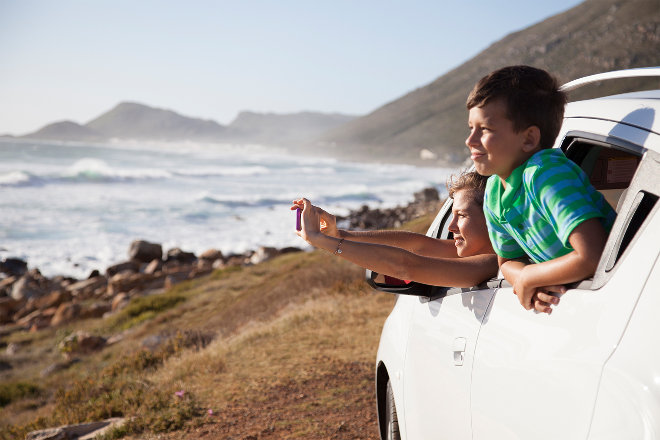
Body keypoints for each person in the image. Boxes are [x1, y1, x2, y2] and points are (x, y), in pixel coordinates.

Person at [465, 65, 616, 313]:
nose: (470, 140)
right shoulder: (494, 190)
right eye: (471, 127)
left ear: (528, 139)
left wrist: (530, 277)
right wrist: (526, 277)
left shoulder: (545, 174)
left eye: (485, 129)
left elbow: (593, 254)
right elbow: (507, 261)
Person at [292, 171, 498, 289]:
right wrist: (339, 234)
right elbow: (420, 244)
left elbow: (406, 266)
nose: (452, 227)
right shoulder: (477, 252)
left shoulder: (491, 262)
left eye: (461, 216)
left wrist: (322, 241)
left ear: (494, 218)